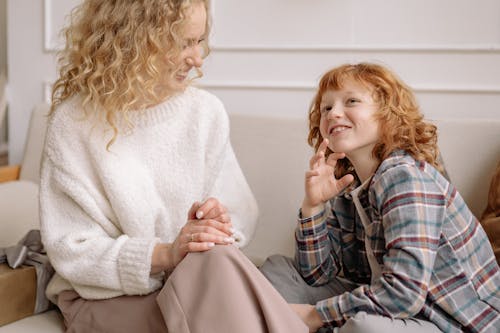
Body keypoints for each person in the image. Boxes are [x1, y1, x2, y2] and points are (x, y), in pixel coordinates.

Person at [38, 0, 307, 332]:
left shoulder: (205, 113)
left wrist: (215, 223)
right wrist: (166, 253)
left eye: (199, 40)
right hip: (105, 299)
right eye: (183, 43)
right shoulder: (73, 124)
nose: (198, 59)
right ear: (135, 41)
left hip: (196, 281)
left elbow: (238, 216)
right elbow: (72, 252)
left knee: (215, 257)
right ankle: (295, 319)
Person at [260, 63, 500, 332]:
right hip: (391, 307)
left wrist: (317, 314)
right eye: (326, 108)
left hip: (447, 320)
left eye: (351, 101)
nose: (333, 113)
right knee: (279, 270)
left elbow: (404, 293)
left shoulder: (405, 176)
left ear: (389, 115)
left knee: (366, 328)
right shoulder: (351, 187)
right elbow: (316, 275)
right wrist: (313, 206)